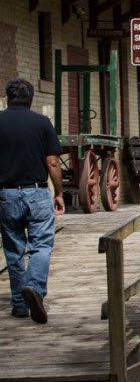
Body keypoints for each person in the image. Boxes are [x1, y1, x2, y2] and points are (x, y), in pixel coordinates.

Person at [0, 77, 65, 323]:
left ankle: (19, 304)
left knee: (14, 250)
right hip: (37, 192)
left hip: (6, 194)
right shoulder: (42, 123)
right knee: (41, 245)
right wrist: (58, 193)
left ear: (8, 97)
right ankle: (35, 288)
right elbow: (53, 162)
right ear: (31, 99)